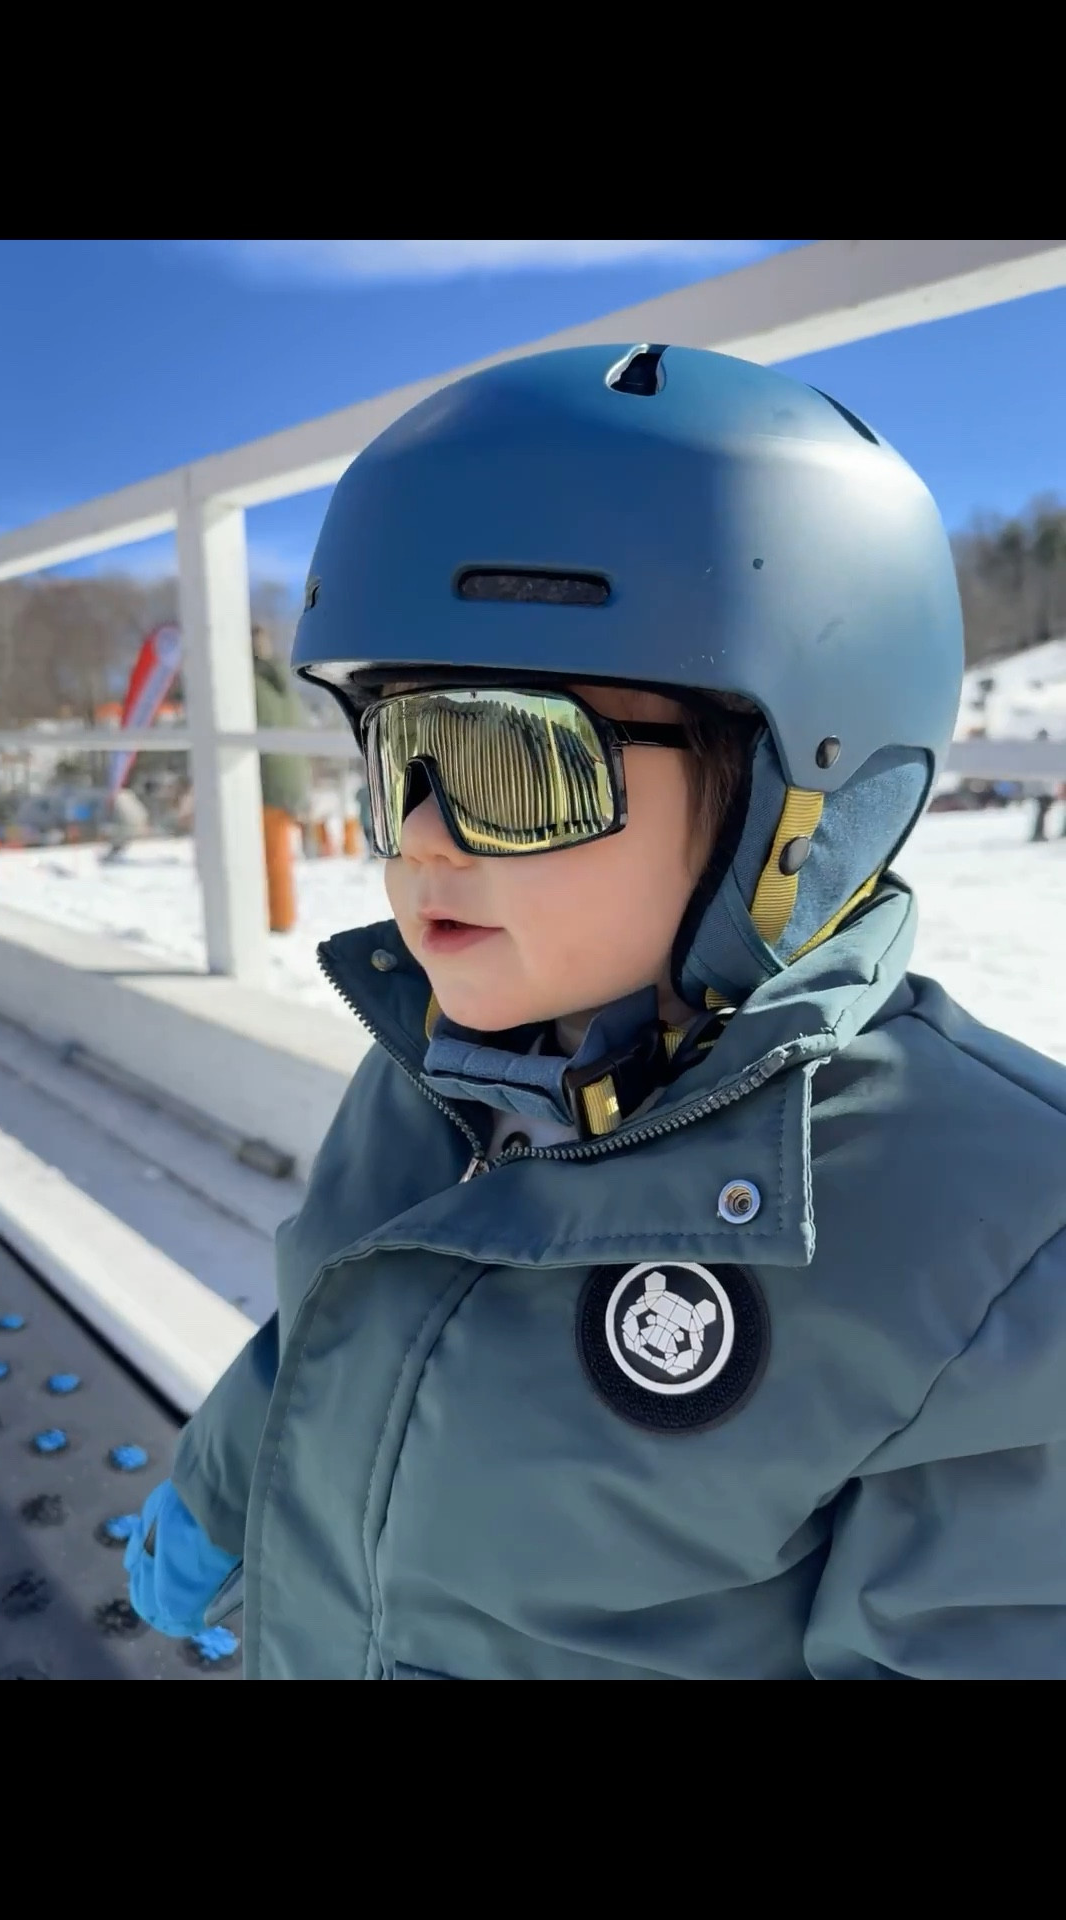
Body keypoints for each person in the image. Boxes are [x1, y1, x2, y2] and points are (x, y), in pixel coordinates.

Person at [125, 346, 1066, 1680]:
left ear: (794, 806)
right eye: (400, 752)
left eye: (515, 757)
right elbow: (326, 1333)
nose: (420, 836)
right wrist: (218, 1495)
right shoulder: (431, 1070)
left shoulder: (991, 1243)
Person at [251, 624, 312, 931]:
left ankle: (277, 919)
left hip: (264, 780)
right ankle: (280, 916)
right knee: (278, 855)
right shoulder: (283, 684)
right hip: (291, 778)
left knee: (267, 856)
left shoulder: (249, 684)